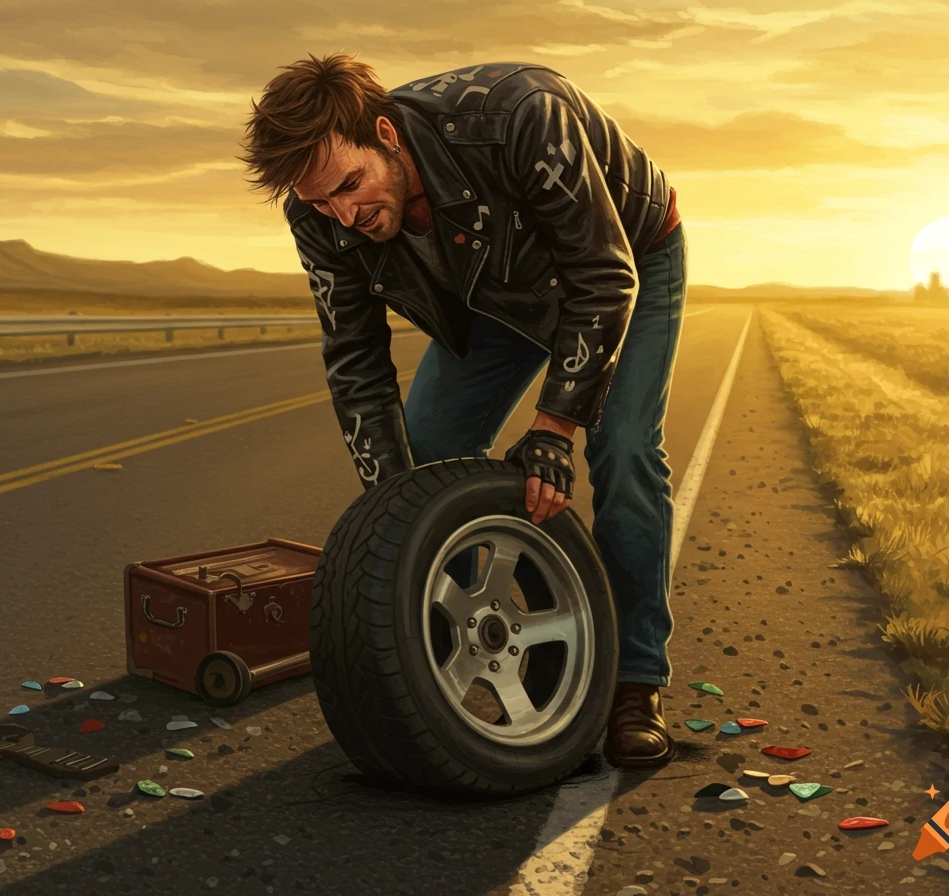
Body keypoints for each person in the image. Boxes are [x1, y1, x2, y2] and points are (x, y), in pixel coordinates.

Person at [238, 53, 686, 769]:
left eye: (351, 187)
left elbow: (602, 278)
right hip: (488, 295)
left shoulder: (519, 116)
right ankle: (451, 641)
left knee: (624, 451)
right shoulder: (320, 215)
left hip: (623, 257)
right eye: (323, 204)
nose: (345, 218)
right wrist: (394, 514)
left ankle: (635, 684)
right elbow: (355, 360)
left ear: (386, 133)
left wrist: (552, 429)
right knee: (423, 457)